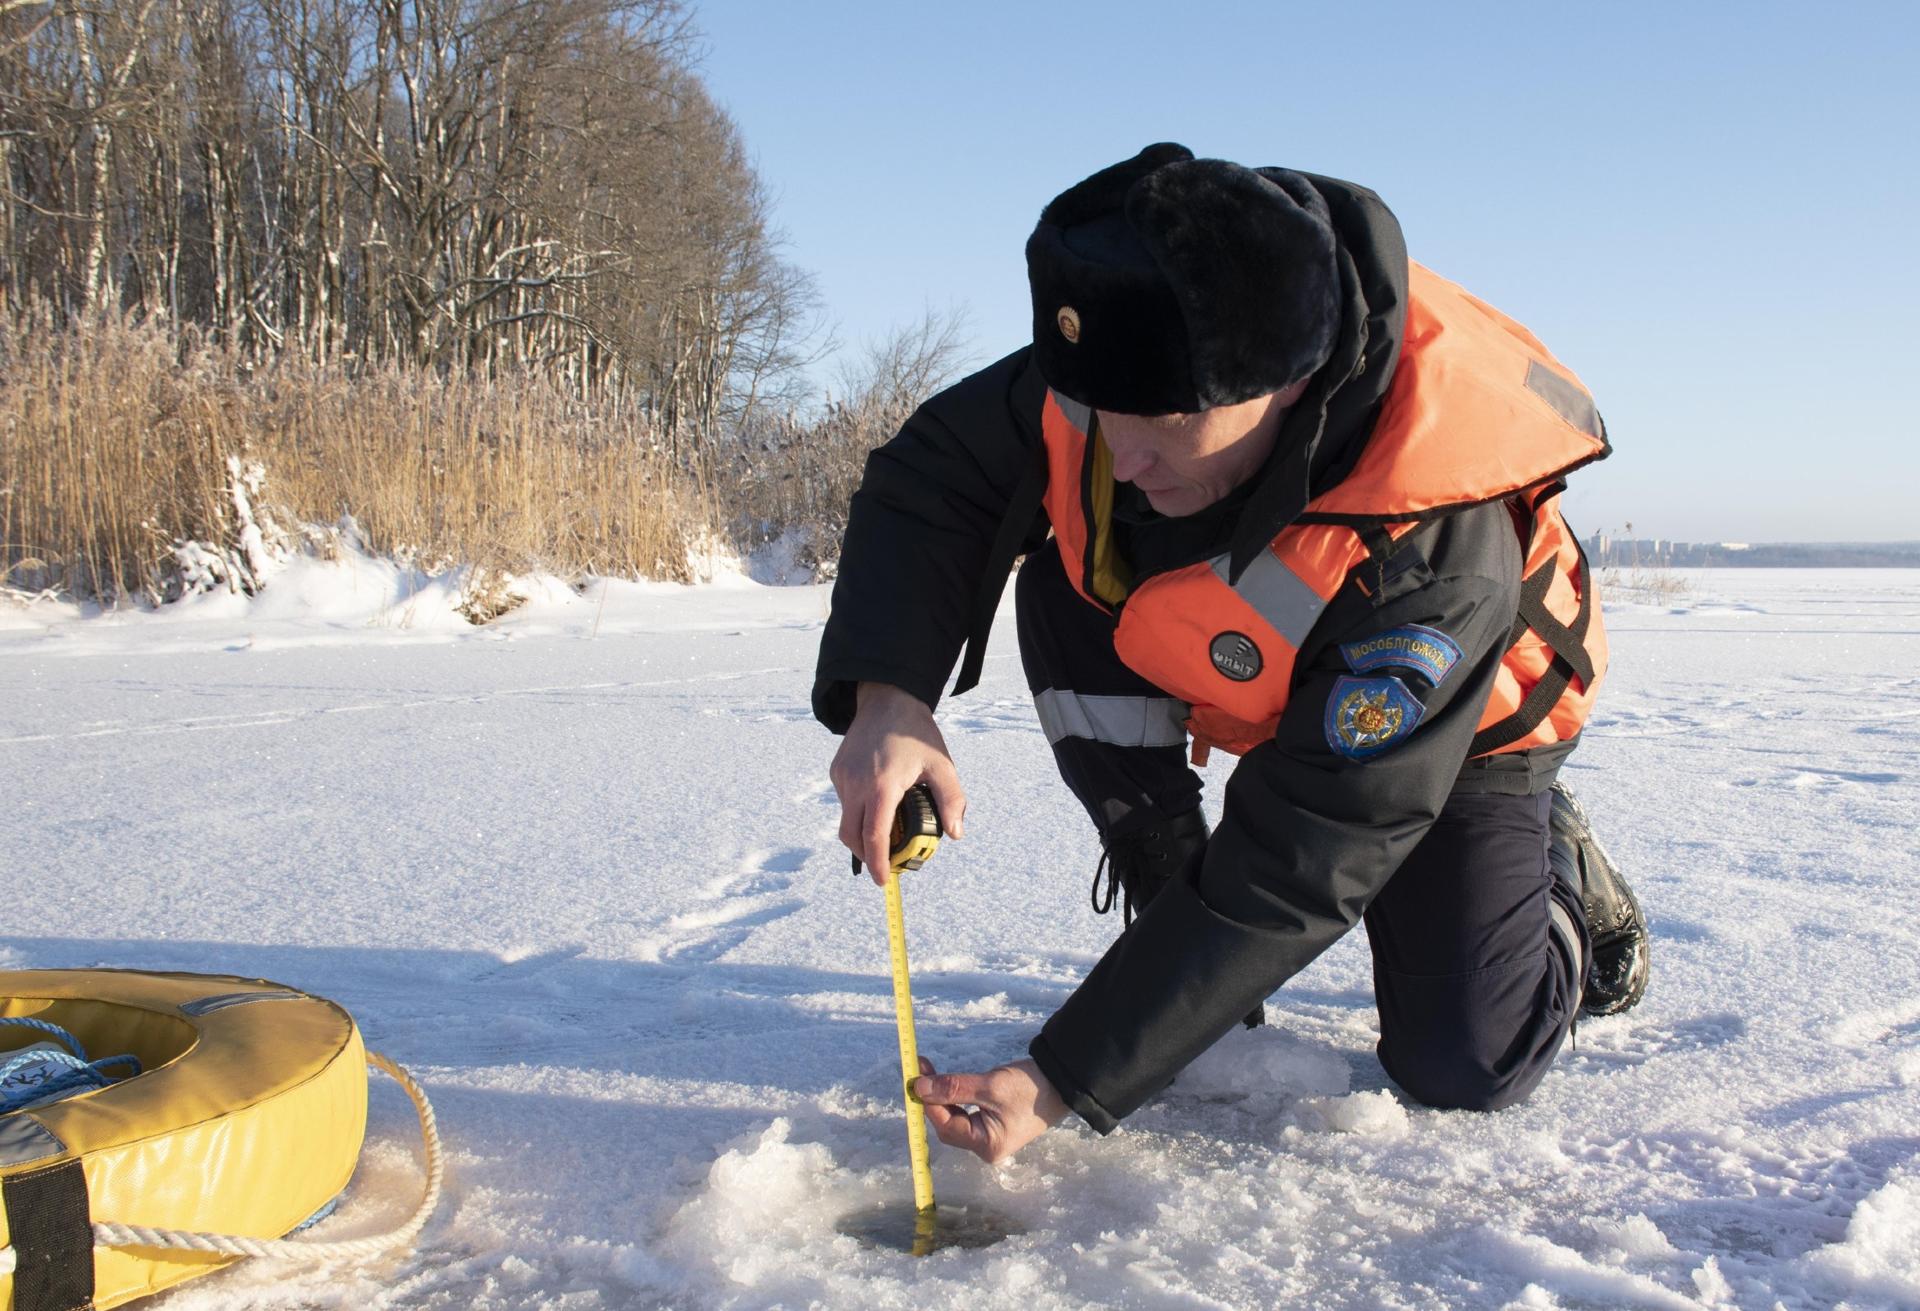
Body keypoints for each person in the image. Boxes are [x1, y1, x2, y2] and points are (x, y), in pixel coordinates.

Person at [815, 143, 1650, 1164]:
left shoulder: (1431, 546)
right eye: (1102, 415)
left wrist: (1064, 1080)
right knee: (1069, 576)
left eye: (1166, 425)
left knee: (1464, 1061)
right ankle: (1167, 879)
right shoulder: (1127, 351)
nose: (1122, 456)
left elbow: (1301, 860)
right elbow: (935, 476)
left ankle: (1555, 882)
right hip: (1239, 649)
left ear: (1288, 384)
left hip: (1462, 724)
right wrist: (888, 696)